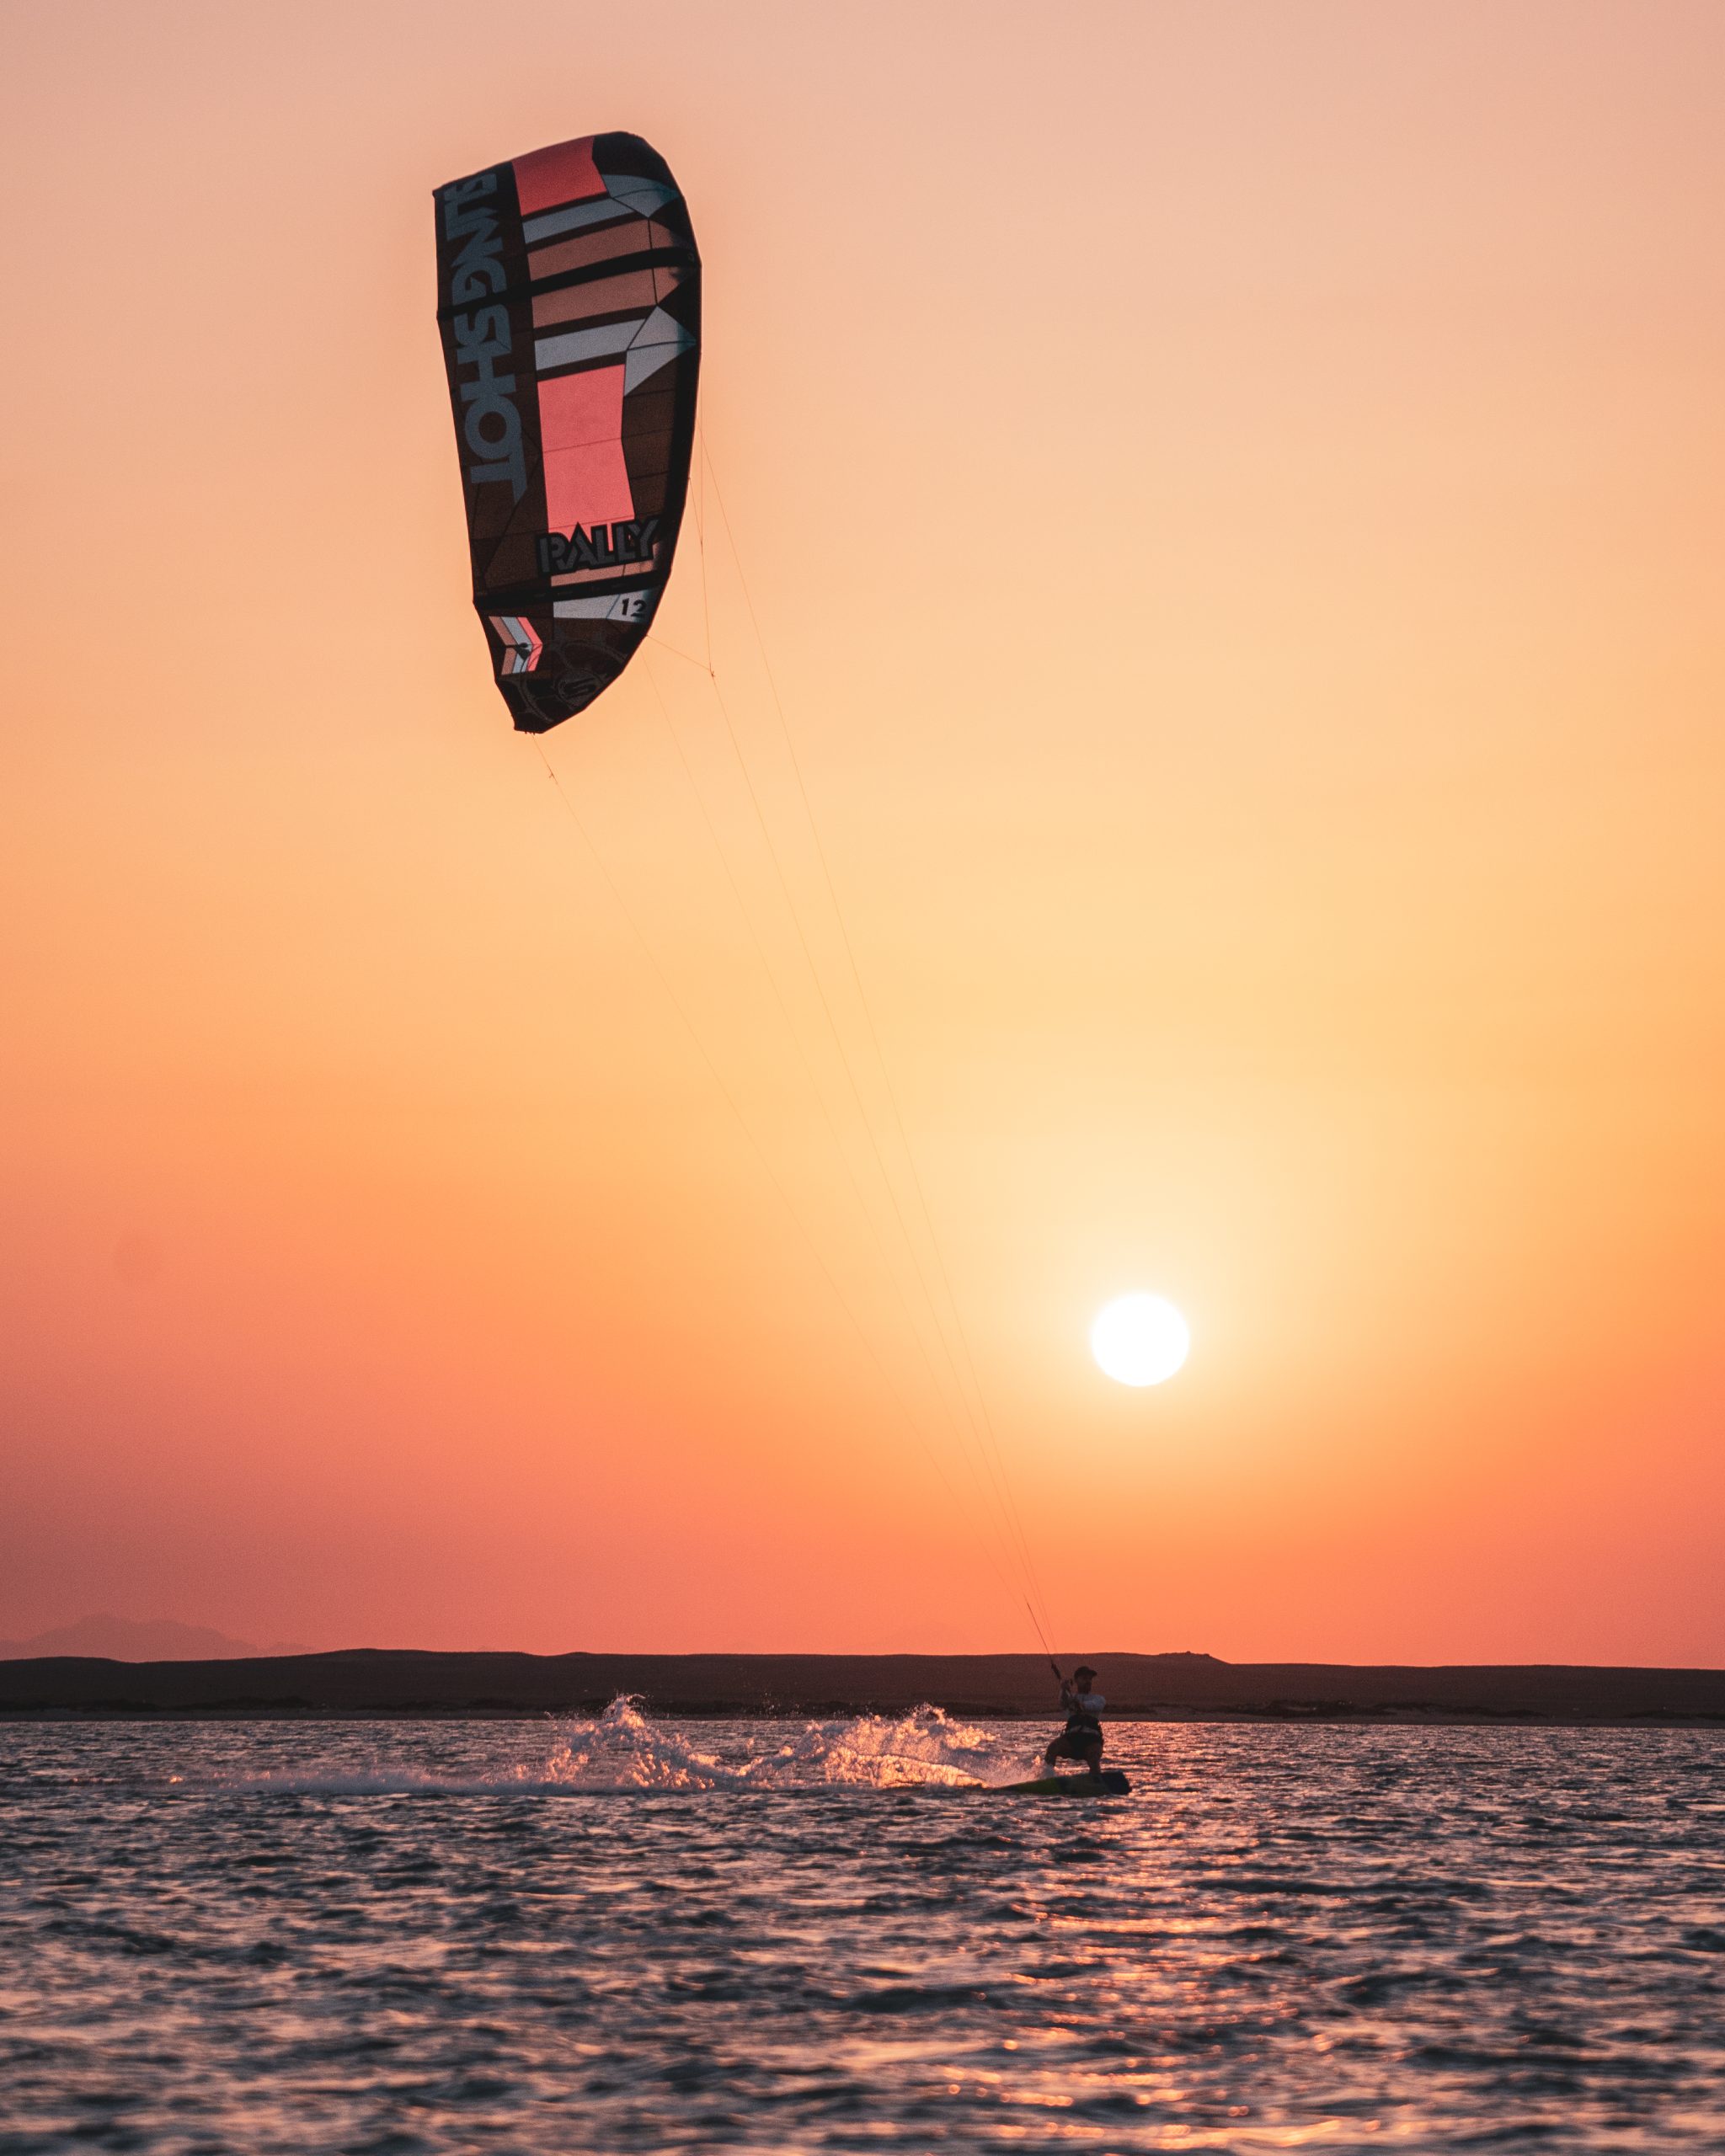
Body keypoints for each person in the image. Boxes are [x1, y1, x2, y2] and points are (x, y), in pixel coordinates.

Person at [1044, 1663, 1105, 1774]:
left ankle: (1096, 1780)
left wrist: (1079, 1704)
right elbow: (1063, 1703)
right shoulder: (1070, 1698)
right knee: (1052, 1748)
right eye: (1084, 1678)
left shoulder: (1099, 1699)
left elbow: (1094, 1705)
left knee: (1094, 1755)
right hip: (1072, 1739)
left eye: (1089, 1679)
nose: (1088, 1681)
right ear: (1076, 1681)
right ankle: (1047, 1777)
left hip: (1091, 1740)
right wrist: (1063, 1689)